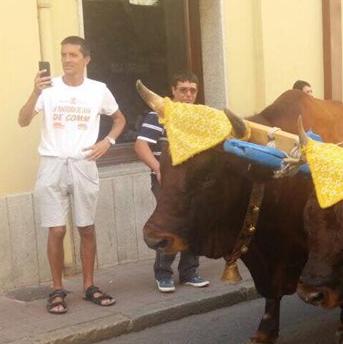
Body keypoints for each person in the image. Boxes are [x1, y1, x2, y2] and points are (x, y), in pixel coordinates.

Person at [17, 36, 126, 314]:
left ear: (86, 59)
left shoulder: (98, 89)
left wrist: (108, 142)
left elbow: (119, 119)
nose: (67, 60)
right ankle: (56, 288)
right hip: (52, 163)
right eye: (64, 54)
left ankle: (89, 286)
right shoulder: (49, 88)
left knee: (86, 228)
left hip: (83, 162)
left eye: (73, 55)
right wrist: (34, 92)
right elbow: (23, 120)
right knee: (56, 229)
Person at [134, 72, 210, 293]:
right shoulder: (158, 115)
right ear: (173, 91)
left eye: (192, 90)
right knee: (171, 222)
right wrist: (158, 168)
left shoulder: (199, 118)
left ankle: (189, 272)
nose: (188, 94)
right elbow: (140, 146)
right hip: (166, 181)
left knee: (194, 222)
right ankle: (164, 274)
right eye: (183, 90)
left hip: (193, 182)